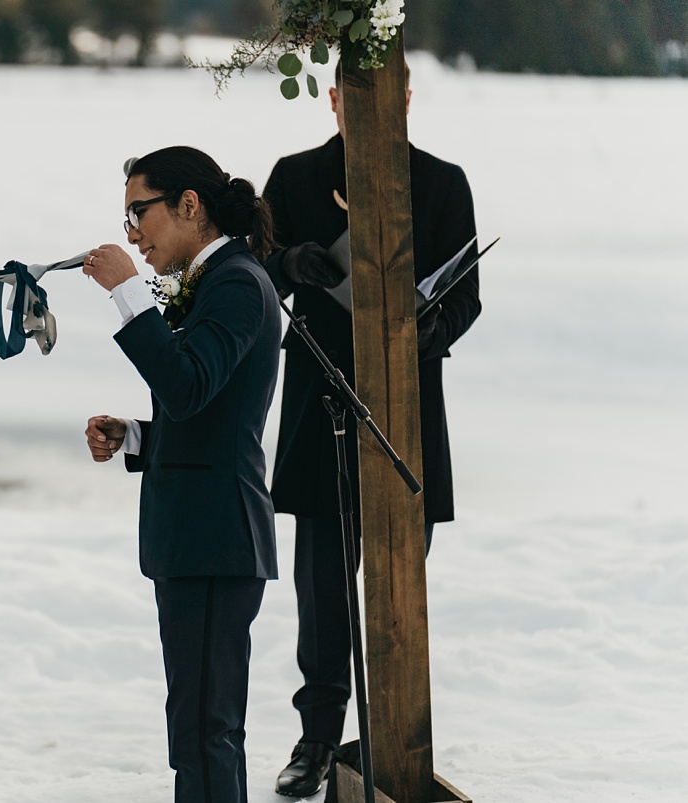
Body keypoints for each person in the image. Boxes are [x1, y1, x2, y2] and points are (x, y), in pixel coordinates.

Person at [262, 63, 482, 798]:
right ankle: (319, 737)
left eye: (384, 100)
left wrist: (431, 328)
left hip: (409, 409)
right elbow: (258, 269)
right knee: (322, 586)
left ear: (405, 100)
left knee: (399, 581)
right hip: (320, 400)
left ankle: (395, 740)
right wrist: (289, 259)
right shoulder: (293, 177)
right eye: (349, 101)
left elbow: (467, 297)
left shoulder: (443, 183)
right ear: (331, 101)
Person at [81, 146, 281, 803]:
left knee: (203, 733)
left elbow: (190, 384)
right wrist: (138, 435)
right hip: (202, 537)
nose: (133, 233)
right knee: (201, 730)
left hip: (215, 538)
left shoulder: (235, 281)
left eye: (140, 212)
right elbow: (204, 408)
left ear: (189, 205)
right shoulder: (215, 280)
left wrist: (127, 293)